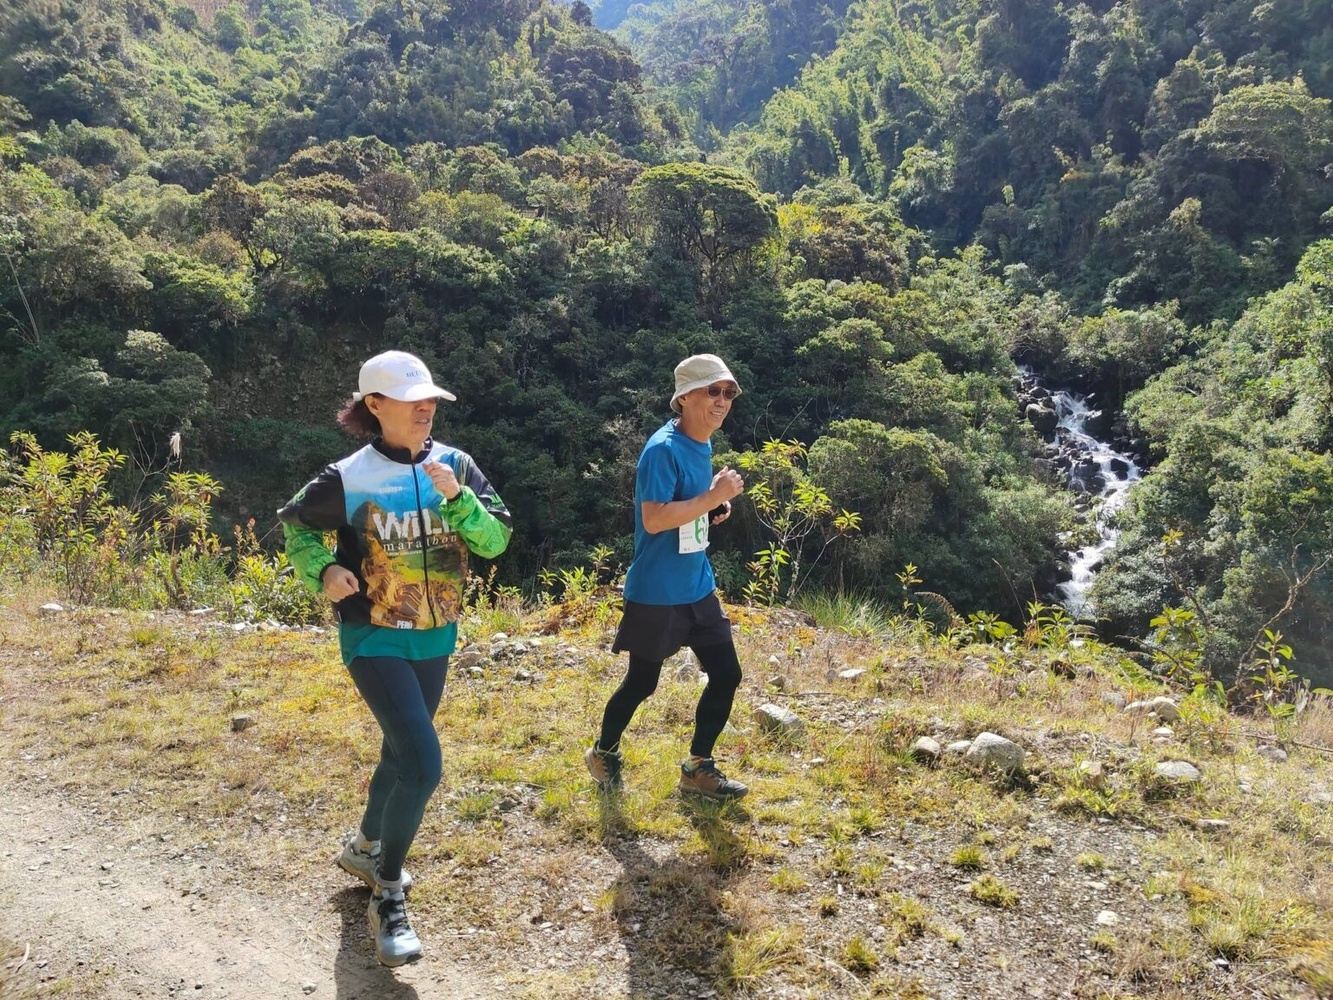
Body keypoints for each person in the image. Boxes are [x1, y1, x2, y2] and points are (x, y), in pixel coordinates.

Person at [278, 350, 511, 967]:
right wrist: (323, 569)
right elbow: (295, 525)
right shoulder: (348, 476)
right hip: (373, 635)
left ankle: (363, 847)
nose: (425, 409)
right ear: (375, 406)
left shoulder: (457, 466)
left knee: (399, 753)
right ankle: (387, 890)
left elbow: (495, 542)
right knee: (424, 765)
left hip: (436, 636)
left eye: (430, 399)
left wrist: (459, 500)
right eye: (412, 401)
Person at [585, 353, 749, 801]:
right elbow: (655, 519)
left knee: (726, 673)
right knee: (643, 683)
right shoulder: (662, 449)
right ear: (685, 397)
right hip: (657, 591)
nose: (722, 400)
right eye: (712, 391)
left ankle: (698, 768)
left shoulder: (701, 442)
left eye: (728, 392)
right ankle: (603, 752)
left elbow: (685, 507)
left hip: (697, 585)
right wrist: (712, 496)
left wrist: (711, 506)